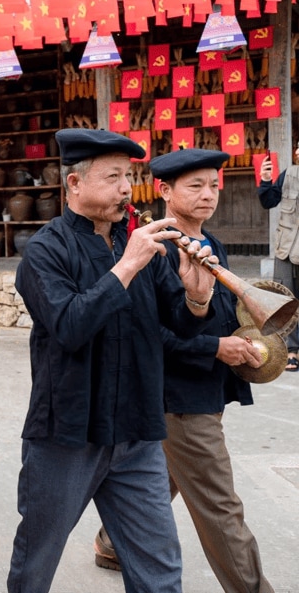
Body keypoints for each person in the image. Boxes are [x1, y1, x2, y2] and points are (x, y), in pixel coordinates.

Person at [8, 129, 219, 593]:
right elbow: (69, 326)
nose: (127, 188)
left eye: (128, 176)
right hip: (67, 432)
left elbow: (181, 325)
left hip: (137, 429)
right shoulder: (45, 250)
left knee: (159, 568)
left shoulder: (139, 242)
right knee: (37, 558)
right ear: (75, 183)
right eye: (113, 178)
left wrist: (198, 297)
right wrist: (126, 265)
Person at [91, 149, 273, 592]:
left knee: (167, 473)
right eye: (196, 186)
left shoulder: (213, 245)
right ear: (165, 191)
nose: (208, 194)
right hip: (175, 395)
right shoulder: (150, 250)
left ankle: (111, 543)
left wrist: (249, 344)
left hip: (207, 387)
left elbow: (221, 315)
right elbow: (144, 333)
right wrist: (215, 348)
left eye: (214, 185)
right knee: (220, 506)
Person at [258, 143, 299, 370]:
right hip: (287, 248)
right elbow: (269, 201)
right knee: (286, 298)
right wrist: (266, 180)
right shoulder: (289, 174)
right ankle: (291, 349)